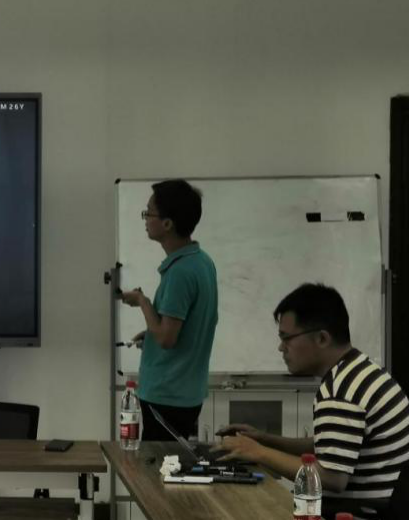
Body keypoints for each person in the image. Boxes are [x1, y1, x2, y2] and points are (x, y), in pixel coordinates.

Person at [214, 283, 409, 520]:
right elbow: (329, 447)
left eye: (287, 338)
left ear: (322, 338)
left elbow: (331, 477)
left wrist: (258, 453)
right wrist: (264, 439)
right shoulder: (361, 371)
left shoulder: (341, 391)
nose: (281, 348)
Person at [119, 179, 218, 441]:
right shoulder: (202, 262)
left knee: (156, 465)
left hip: (167, 395)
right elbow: (183, 327)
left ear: (167, 223)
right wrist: (150, 333)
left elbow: (166, 338)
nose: (145, 219)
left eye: (149, 213)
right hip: (185, 392)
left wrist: (142, 302)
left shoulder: (180, 272)